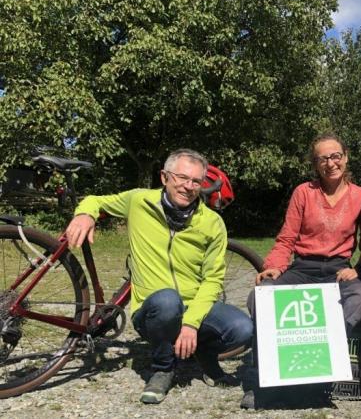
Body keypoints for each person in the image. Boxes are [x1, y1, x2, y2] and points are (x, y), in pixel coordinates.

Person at [65, 149, 254, 404]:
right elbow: (96, 200)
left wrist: (190, 324)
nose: (188, 186)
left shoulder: (212, 223)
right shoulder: (139, 201)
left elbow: (212, 280)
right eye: (182, 178)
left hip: (192, 303)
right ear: (165, 177)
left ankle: (204, 355)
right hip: (153, 308)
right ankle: (163, 368)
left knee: (243, 329)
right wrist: (84, 214)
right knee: (167, 301)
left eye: (196, 181)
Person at [241, 132, 361, 408]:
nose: (330, 163)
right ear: (315, 164)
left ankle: (319, 370)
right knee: (261, 297)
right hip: (303, 267)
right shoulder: (304, 192)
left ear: (345, 158)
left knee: (357, 298)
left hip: (337, 270)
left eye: (336, 156)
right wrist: (273, 267)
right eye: (323, 158)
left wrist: (357, 269)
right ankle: (265, 381)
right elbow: (287, 238)